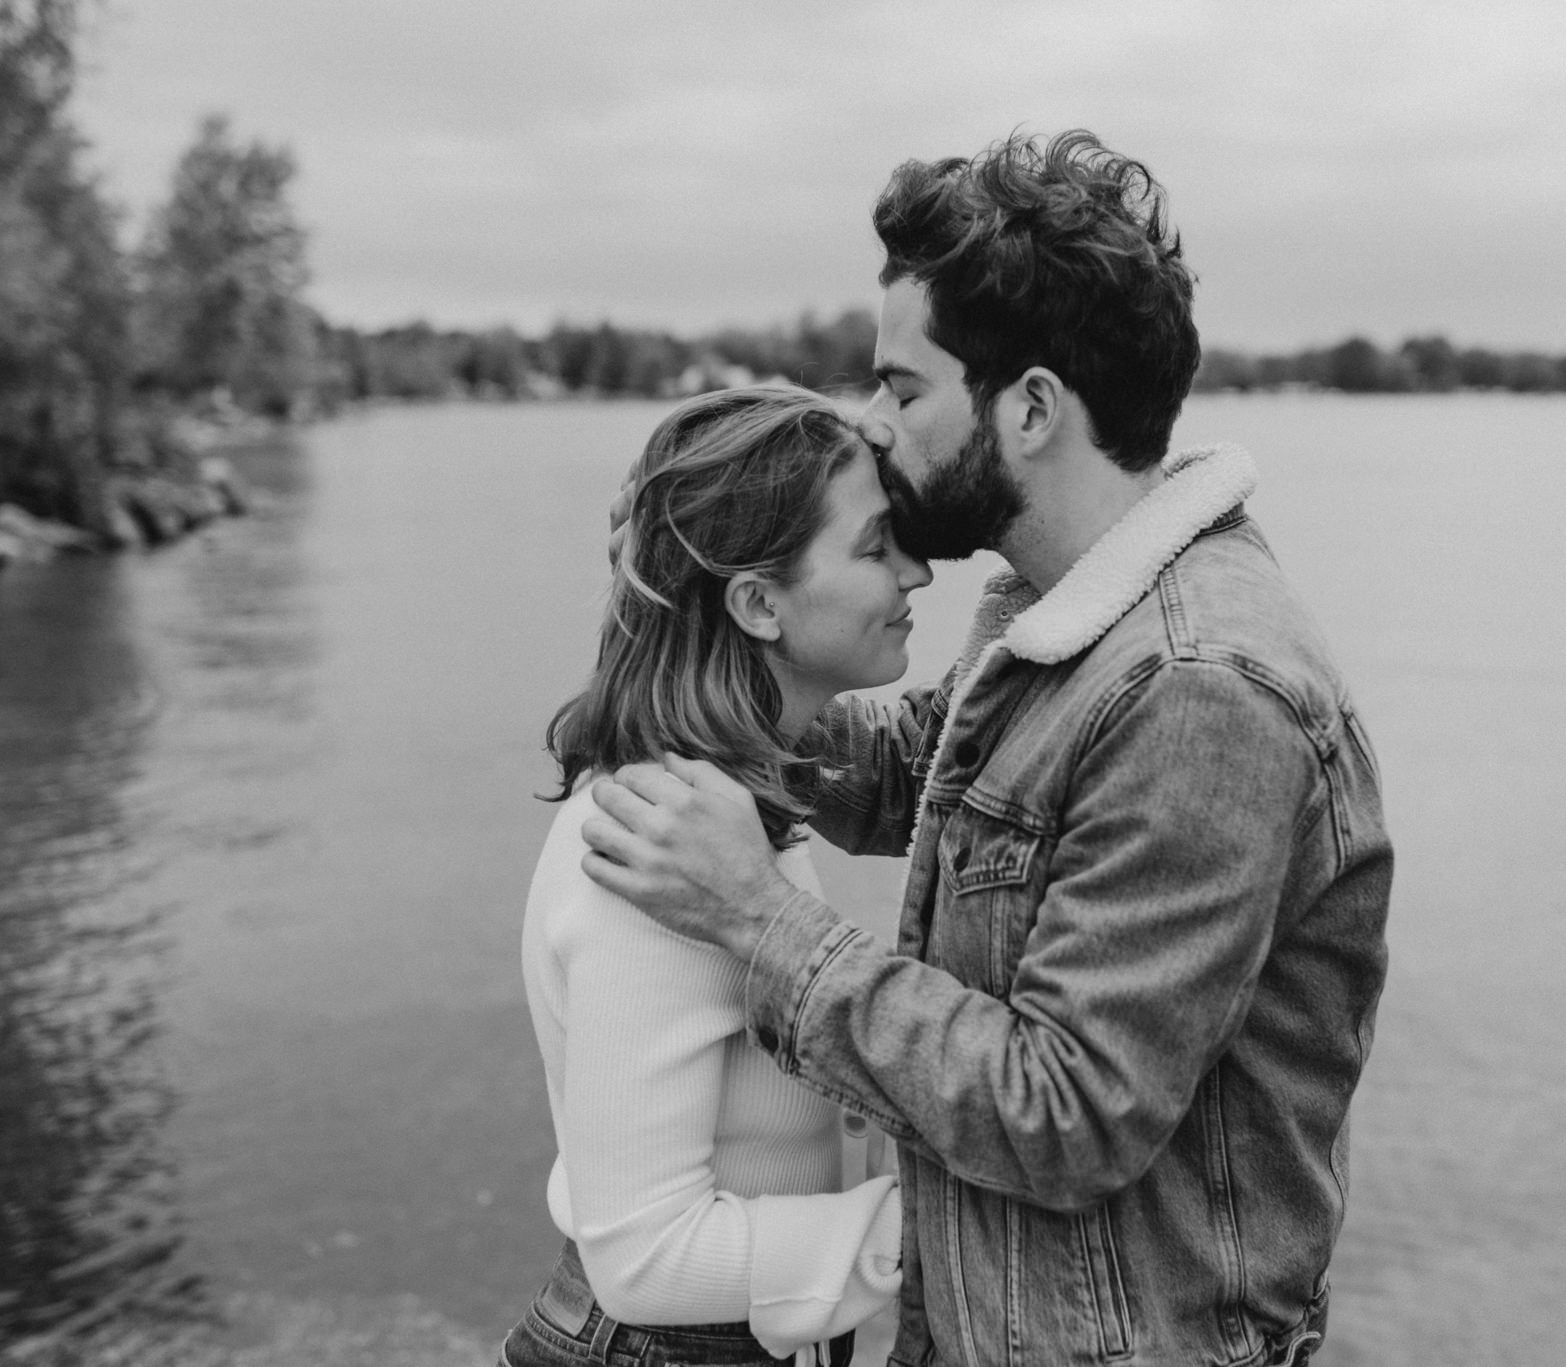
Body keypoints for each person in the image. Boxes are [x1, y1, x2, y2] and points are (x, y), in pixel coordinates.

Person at [581, 131, 1393, 1367]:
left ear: (1026, 407)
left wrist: (761, 921)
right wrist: (713, 694)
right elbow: (923, 762)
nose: (869, 419)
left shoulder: (1198, 689)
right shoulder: (1063, 603)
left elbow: (1068, 1110)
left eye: (903, 389)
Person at [503, 386, 932, 1367]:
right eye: (874, 547)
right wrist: (932, 1230)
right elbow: (642, 1256)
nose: (915, 570)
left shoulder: (726, 805)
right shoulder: (651, 844)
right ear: (754, 601)